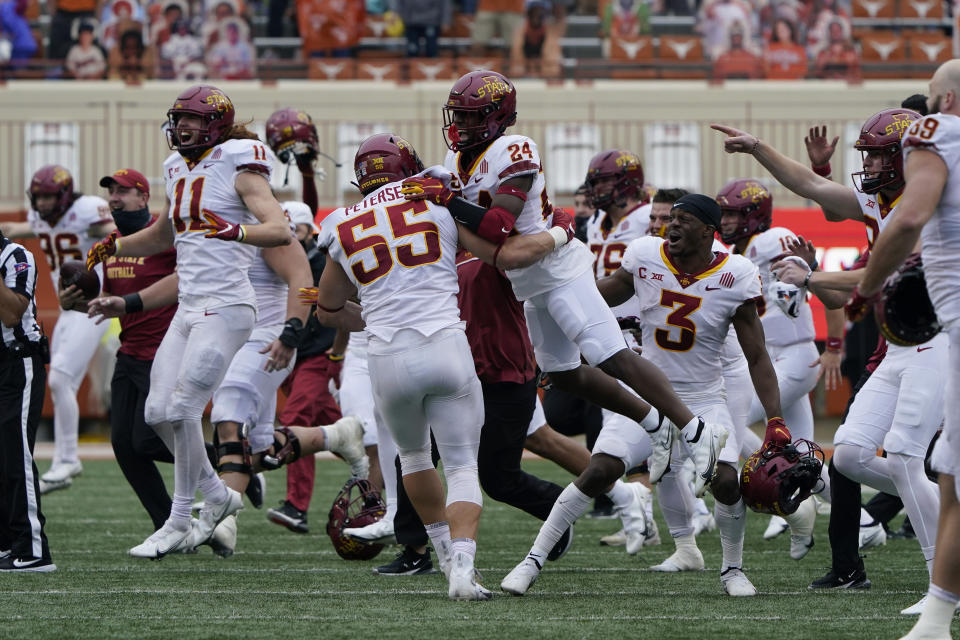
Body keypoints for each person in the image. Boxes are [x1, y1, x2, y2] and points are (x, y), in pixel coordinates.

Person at [404, 69, 728, 502]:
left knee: (610, 356)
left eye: (470, 116)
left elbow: (499, 225)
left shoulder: (514, 149)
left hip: (558, 270)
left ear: (499, 117)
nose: (460, 125)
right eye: (457, 116)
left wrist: (446, 198)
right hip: (525, 281)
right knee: (565, 373)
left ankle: (696, 430)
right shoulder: (454, 163)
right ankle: (656, 425)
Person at [311, 131, 577, 599]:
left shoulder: (339, 223)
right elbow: (504, 253)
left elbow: (328, 309)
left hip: (386, 355)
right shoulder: (438, 204)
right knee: (459, 466)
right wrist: (559, 230)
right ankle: (463, 568)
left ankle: (441, 555)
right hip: (446, 347)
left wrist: (370, 314)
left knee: (413, 458)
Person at [712, 108, 945, 607]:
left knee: (904, 456)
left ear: (909, 156)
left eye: (882, 154)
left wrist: (811, 279)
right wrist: (758, 147)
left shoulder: (932, 207)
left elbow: (881, 275)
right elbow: (815, 190)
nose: (872, 164)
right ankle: (945, 502)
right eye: (871, 155)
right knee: (853, 454)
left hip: (939, 338)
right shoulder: (883, 199)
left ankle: (943, 581)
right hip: (899, 342)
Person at [500, 194, 785, 597]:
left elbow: (757, 356)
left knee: (724, 479)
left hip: (702, 396)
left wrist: (774, 419)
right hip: (645, 392)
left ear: (709, 232)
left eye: (684, 221)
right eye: (671, 219)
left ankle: (732, 569)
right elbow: (598, 298)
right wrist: (558, 299)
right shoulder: (646, 257)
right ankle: (532, 560)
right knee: (599, 471)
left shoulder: (735, 274)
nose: (672, 227)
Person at [86, 84, 292, 558]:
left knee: (182, 410)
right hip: (189, 307)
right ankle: (219, 496)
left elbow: (278, 228)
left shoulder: (238, 163)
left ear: (216, 124)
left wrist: (235, 230)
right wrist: (112, 246)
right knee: (157, 413)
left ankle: (180, 519)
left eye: (194, 120)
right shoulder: (176, 167)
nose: (182, 127)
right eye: (179, 119)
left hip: (228, 306)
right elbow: (163, 234)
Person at [846, 60, 960, 640]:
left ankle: (938, 603)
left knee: (936, 466)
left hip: (946, 332)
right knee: (858, 453)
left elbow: (911, 216)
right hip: (922, 339)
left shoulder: (936, 134)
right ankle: (939, 605)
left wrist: (864, 289)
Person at [716, 177, 843, 551]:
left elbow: (790, 290)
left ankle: (792, 504)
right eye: (722, 213)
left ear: (754, 216)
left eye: (733, 214)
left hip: (792, 357)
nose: (725, 221)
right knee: (803, 455)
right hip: (776, 358)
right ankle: (865, 522)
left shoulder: (772, 241)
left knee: (728, 424)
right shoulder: (740, 248)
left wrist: (789, 289)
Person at [263, 107, 356, 536]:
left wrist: (304, 169)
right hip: (296, 353)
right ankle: (376, 465)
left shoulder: (321, 258)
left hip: (314, 355)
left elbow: (309, 209)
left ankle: (296, 506)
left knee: (297, 421)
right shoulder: (281, 256)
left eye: (293, 227)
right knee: (338, 427)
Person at [0, 165, 114, 495]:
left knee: (61, 377)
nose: (44, 203)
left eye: (50, 196)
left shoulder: (87, 210)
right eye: (39, 197)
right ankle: (65, 459)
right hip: (69, 307)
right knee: (58, 379)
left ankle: (66, 459)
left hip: (94, 301)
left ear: (64, 195)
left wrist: (105, 235)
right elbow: (19, 227)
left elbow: (114, 229)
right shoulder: (40, 219)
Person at [81, 169, 178, 533]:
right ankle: (168, 522)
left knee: (146, 439)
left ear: (143, 197)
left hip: (162, 350)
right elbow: (108, 302)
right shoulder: (110, 244)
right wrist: (76, 300)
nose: (114, 198)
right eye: (111, 192)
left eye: (123, 191)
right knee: (123, 444)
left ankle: (228, 462)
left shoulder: (165, 236)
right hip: (129, 351)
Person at [0, 228, 54, 572]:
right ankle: (7, 543)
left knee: (14, 453)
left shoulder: (15, 255)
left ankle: (33, 549)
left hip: (17, 362)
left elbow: (10, 314)